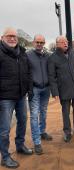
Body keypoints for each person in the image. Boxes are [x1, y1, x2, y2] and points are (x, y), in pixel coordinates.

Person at [0, 27, 33, 169]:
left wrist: (29, 89)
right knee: (4, 129)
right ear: (2, 38)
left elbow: (28, 72)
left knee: (23, 121)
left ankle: (20, 145)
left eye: (14, 36)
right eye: (9, 36)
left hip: (21, 95)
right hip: (5, 97)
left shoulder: (22, 53)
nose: (12, 38)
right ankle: (5, 157)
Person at [48, 36, 74, 142]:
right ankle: (67, 132)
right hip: (64, 89)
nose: (65, 44)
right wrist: (54, 92)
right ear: (57, 44)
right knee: (65, 112)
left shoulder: (73, 53)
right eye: (62, 42)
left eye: (66, 41)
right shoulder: (52, 58)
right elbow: (51, 77)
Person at [27, 35, 52, 155]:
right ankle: (37, 142)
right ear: (33, 42)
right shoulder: (27, 55)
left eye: (42, 42)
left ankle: (42, 132)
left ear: (44, 43)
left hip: (46, 88)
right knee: (33, 115)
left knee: (44, 111)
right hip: (34, 89)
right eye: (37, 42)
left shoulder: (47, 55)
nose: (39, 44)